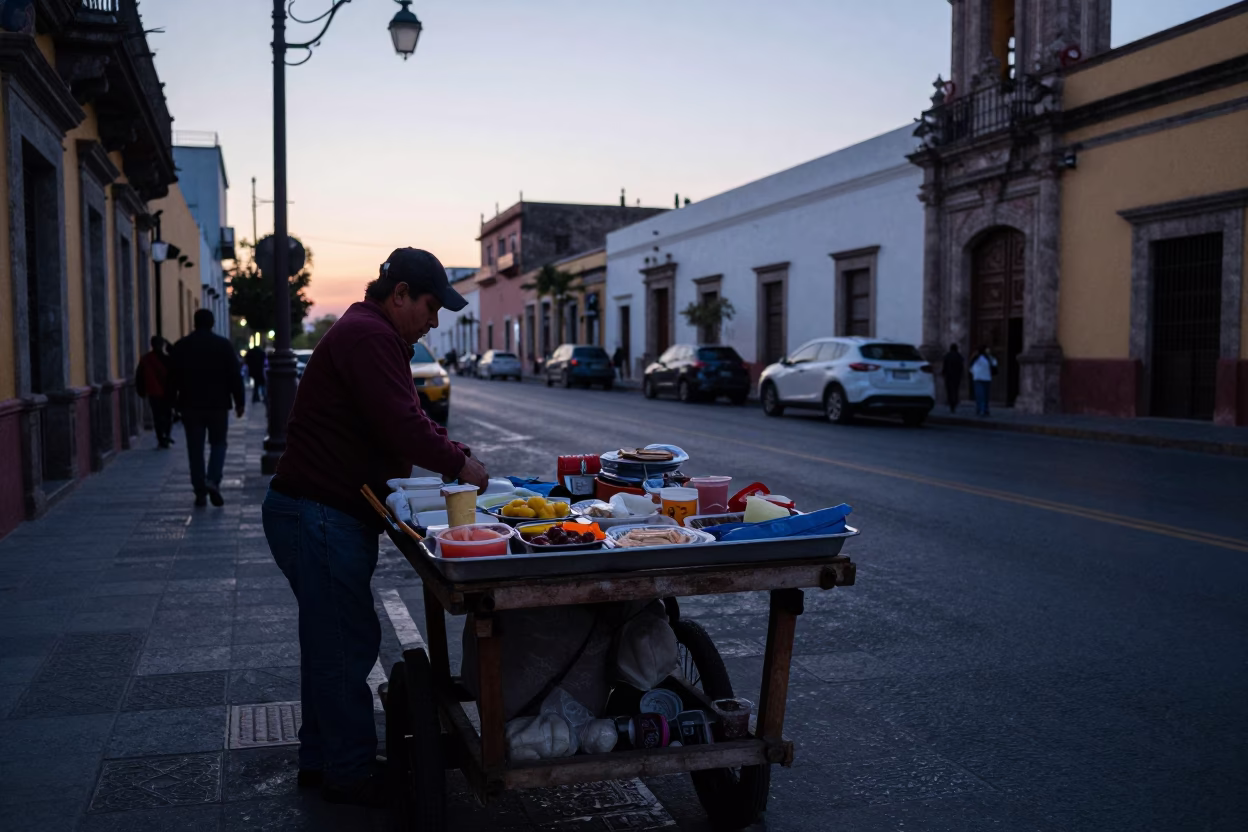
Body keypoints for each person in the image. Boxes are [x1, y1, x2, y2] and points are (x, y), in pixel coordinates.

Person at [264, 247, 489, 807]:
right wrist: (459, 465)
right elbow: (400, 425)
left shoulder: (374, 334)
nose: (434, 320)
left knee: (327, 642)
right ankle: (351, 772)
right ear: (400, 295)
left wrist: (452, 449)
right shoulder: (370, 336)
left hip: (318, 509)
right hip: (319, 512)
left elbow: (407, 418)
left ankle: (323, 759)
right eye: (431, 306)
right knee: (345, 642)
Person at [168, 309, 245, 507]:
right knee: (219, 444)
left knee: (195, 448)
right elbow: (234, 376)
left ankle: (199, 490)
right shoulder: (223, 346)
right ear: (212, 323)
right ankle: (213, 480)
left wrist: (172, 404)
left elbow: (172, 379)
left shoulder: (181, 346)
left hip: (190, 405)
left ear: (194, 323)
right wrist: (240, 402)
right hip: (218, 406)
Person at [135, 336, 174, 448]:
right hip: (166, 392)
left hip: (154, 392)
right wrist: (169, 346)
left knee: (158, 416)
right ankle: (166, 435)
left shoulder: (146, 359)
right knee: (167, 415)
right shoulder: (167, 359)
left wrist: (141, 391)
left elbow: (139, 377)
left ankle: (161, 438)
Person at [970, 345, 998, 417]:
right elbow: (994, 363)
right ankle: (983, 409)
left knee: (982, 395)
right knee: (983, 395)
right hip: (983, 378)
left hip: (981, 378)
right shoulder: (984, 358)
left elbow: (971, 368)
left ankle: (982, 409)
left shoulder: (981, 358)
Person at [940, 343, 964, 414]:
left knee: (949, 389)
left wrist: (943, 373)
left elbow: (945, 366)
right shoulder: (959, 356)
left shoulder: (947, 356)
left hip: (949, 375)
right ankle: (955, 401)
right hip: (956, 375)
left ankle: (950, 402)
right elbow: (961, 367)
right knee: (956, 389)